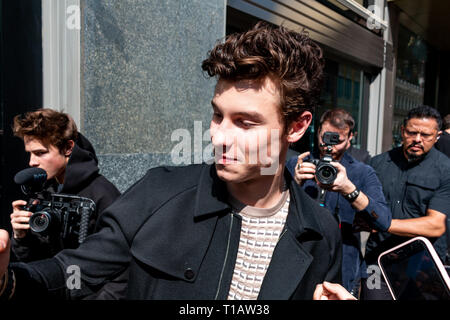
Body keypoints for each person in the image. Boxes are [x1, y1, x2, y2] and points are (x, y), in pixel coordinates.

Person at [0, 22, 343, 300]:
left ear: (296, 127)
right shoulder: (158, 192)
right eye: (217, 115)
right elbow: (70, 272)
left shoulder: (320, 232)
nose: (219, 136)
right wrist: (7, 282)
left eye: (245, 122)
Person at [9, 108, 124, 299]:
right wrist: (21, 237)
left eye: (40, 153)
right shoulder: (43, 192)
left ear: (68, 148)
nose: (32, 162)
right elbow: (35, 264)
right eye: (30, 154)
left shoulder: (103, 194)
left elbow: (122, 265)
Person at [285, 108, 391, 296]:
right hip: (297, 258)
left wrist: (349, 189)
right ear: (317, 132)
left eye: (338, 140)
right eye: (325, 137)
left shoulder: (362, 172)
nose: (329, 146)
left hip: (343, 264)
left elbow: (383, 220)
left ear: (351, 137)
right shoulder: (297, 163)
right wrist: (294, 182)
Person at [362, 105, 450, 299]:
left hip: (423, 267)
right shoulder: (377, 163)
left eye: (426, 135)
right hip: (377, 261)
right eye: (412, 132)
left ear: (437, 136)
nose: (417, 139)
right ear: (402, 131)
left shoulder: (446, 170)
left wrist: (386, 224)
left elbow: (435, 225)